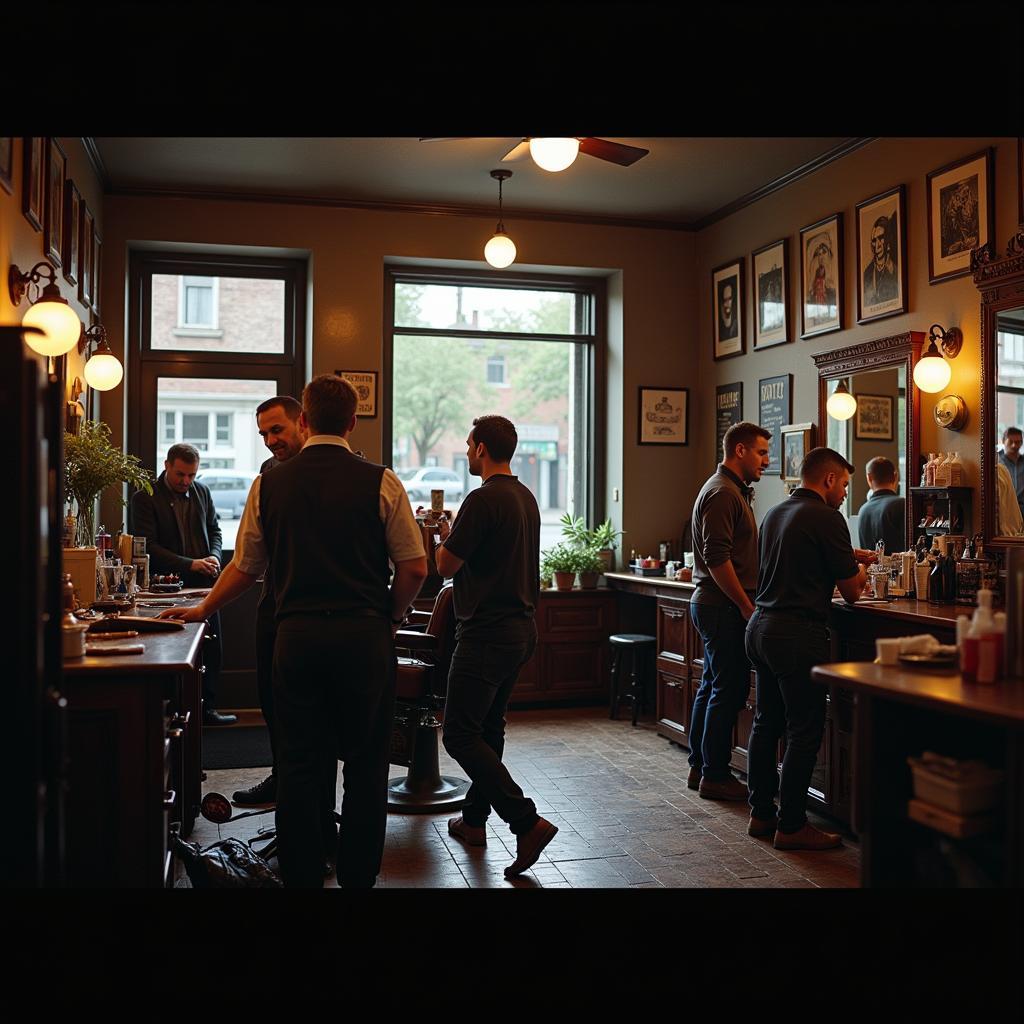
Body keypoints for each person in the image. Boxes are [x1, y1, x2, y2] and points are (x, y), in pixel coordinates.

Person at [160, 375, 427, 887]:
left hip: (297, 640)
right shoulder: (383, 481)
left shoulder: (269, 484)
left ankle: (303, 878)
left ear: (304, 419)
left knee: (302, 766)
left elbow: (244, 567)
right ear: (352, 422)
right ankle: (357, 879)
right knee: (367, 769)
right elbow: (414, 568)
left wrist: (200, 610)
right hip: (363, 641)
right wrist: (389, 617)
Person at [434, 415, 558, 878]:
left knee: (460, 734)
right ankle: (472, 820)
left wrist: (441, 535)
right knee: (489, 730)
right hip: (521, 630)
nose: (467, 452)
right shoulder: (525, 497)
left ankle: (524, 821)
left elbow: (445, 566)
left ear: (482, 448)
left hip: (485, 634)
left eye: (468, 445)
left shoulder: (482, 500)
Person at [744, 447, 876, 850]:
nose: (844, 495)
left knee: (767, 723)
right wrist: (865, 567)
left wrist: (847, 555)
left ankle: (762, 814)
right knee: (804, 730)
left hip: (761, 627)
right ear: (829, 479)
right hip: (797, 633)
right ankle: (793, 825)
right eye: (844, 486)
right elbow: (853, 593)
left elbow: (795, 558)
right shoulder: (828, 517)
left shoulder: (776, 512)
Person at [687, 422, 771, 801]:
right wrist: (745, 604)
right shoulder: (722, 493)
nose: (766, 461)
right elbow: (717, 557)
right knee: (728, 689)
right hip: (721, 605)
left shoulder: (730, 490)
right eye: (762, 453)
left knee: (712, 686)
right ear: (739, 451)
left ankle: (700, 766)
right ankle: (716, 774)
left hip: (715, 603)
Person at [231, 396, 306, 807]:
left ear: (303, 422)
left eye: (277, 430)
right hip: (273, 600)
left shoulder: (347, 472)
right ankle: (281, 777)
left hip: (318, 614)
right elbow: (250, 559)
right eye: (263, 433)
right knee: (272, 704)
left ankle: (308, 806)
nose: (270, 440)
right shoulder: (267, 474)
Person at [131, 443, 235, 726]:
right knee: (173, 650)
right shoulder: (146, 497)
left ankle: (208, 709)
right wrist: (190, 563)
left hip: (204, 581)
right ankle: (178, 713)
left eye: (191, 475)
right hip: (167, 586)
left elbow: (215, 530)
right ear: (166, 465)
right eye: (180, 474)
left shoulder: (203, 491)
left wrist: (213, 556)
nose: (186, 481)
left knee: (213, 648)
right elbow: (148, 545)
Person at [857, 456, 905, 554]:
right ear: (895, 476)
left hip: (870, 568)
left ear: (869, 478)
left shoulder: (863, 510)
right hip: (899, 568)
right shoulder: (902, 505)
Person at [863, 215, 898, 306]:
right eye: (874, 240)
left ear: (888, 239)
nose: (878, 245)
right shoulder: (867, 274)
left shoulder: (896, 270)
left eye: (881, 238)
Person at [998, 427, 1024, 523]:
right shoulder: (997, 463)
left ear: (1021, 443)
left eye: (1017, 442)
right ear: (1004, 441)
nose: (1014, 445)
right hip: (1005, 512)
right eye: (1010, 442)